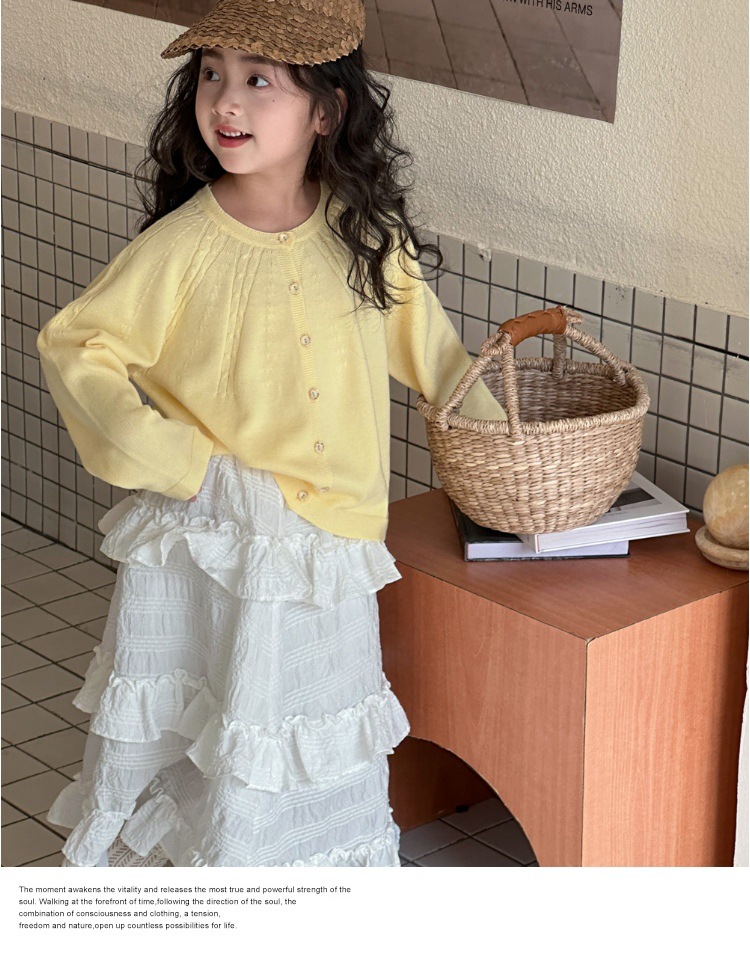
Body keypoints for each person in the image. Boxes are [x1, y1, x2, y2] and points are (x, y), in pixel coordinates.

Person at [37, 0, 508, 868]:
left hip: (329, 544)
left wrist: (513, 458)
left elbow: (440, 363)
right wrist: (171, 458)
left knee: (303, 730)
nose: (226, 100)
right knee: (216, 729)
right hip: (221, 534)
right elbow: (76, 346)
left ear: (326, 111)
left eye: (260, 80)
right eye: (212, 74)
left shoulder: (367, 236)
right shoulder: (183, 245)